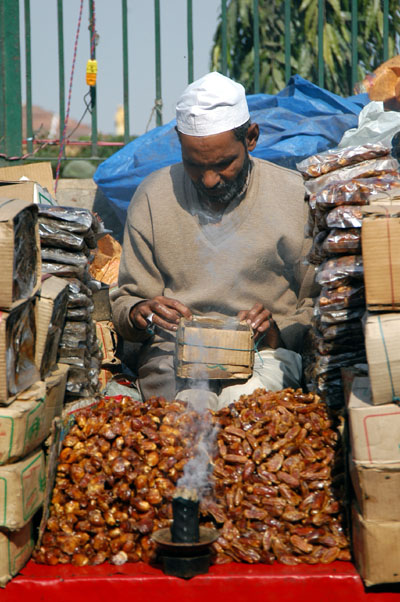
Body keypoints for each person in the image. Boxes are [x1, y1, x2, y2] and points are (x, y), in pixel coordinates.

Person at [111, 71, 316, 408]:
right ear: (178, 140)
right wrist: (140, 313)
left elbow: (316, 306)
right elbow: (126, 301)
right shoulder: (153, 196)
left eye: (223, 164)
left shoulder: (294, 197)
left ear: (251, 138)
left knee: (246, 407)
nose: (208, 180)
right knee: (188, 413)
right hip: (174, 356)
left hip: (264, 353)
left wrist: (278, 333)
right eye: (194, 165)